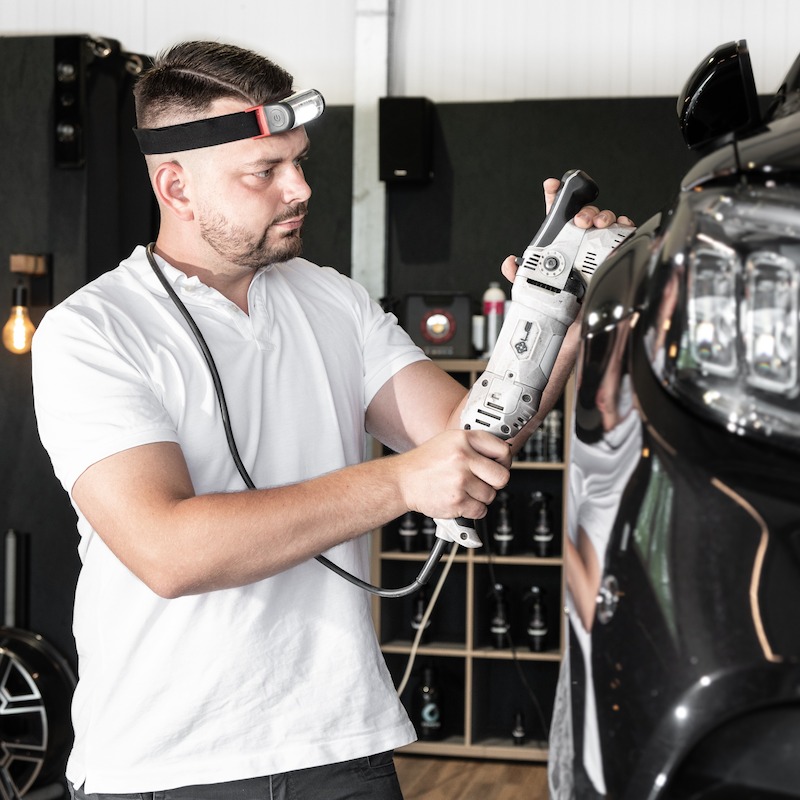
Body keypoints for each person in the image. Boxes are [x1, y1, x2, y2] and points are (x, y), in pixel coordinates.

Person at [31, 40, 630, 800]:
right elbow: (168, 550)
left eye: (299, 162)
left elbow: (468, 439)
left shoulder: (333, 300)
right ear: (176, 186)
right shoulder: (93, 331)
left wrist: (555, 319)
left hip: (343, 745)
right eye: (265, 171)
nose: (300, 188)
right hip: (167, 765)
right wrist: (401, 482)